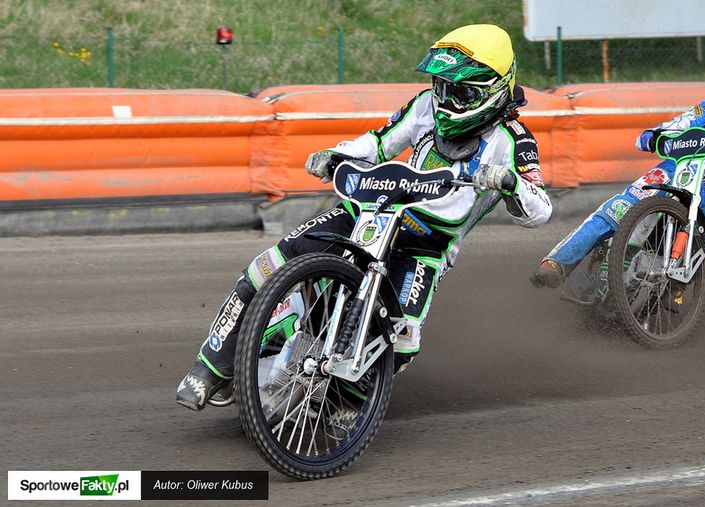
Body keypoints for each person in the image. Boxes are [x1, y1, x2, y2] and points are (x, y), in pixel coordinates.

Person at [176, 24, 553, 411]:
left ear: (494, 89)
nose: (446, 101)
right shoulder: (424, 105)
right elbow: (378, 143)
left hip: (426, 245)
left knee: (402, 341)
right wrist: (337, 153)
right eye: (441, 87)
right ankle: (209, 369)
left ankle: (344, 408)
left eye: (461, 92)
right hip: (372, 210)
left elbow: (540, 210)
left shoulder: (514, 139)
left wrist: (510, 183)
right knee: (266, 267)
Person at [530, 66, 705, 289]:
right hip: (684, 166)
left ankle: (675, 286)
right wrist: (657, 134)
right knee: (621, 207)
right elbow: (689, 119)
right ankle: (558, 262)